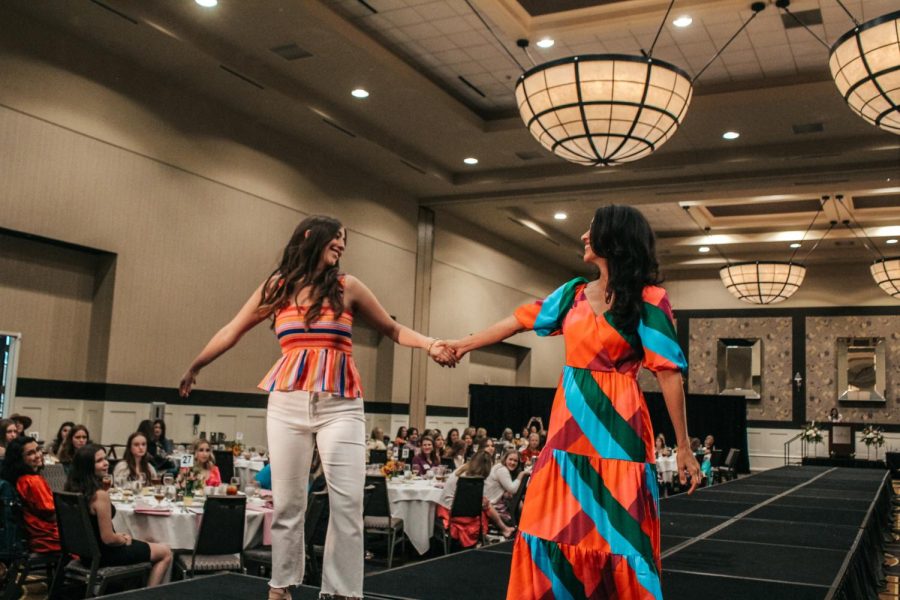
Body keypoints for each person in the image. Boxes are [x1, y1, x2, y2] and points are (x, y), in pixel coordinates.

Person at [178, 215, 456, 600]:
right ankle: (281, 586)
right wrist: (196, 365)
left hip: (339, 404)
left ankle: (342, 592)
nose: (342, 245)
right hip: (287, 401)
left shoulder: (348, 287)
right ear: (311, 237)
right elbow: (231, 329)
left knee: (348, 500)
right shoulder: (277, 288)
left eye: (345, 241)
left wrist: (430, 344)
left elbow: (393, 329)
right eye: (336, 238)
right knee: (289, 502)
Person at [447, 205, 700, 599]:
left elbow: (668, 373)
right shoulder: (573, 294)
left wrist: (684, 446)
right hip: (568, 430)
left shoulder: (650, 299)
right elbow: (518, 320)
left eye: (592, 229)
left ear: (614, 239)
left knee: (621, 540)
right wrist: (463, 345)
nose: (584, 236)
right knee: (550, 528)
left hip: (621, 433)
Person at [65, 444, 172, 586]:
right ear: (87, 466)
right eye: (99, 461)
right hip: (106, 555)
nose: (106, 463)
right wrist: (122, 539)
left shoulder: (72, 490)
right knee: (165, 552)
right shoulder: (99, 495)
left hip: (86, 555)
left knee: (145, 541)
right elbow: (108, 539)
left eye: (105, 458)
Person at [436, 450, 515, 543]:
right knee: (487, 506)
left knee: (486, 504)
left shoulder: (463, 469)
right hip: (452, 511)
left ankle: (503, 529)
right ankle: (503, 529)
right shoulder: (471, 479)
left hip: (449, 506)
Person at [1, 436, 60, 553]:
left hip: (29, 534)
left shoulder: (17, 477)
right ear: (19, 459)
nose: (38, 455)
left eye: (38, 450)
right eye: (30, 453)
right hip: (46, 537)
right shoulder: (32, 481)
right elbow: (50, 514)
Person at [484, 448, 528, 525]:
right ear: (505, 459)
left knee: (520, 504)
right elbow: (512, 489)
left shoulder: (500, 466)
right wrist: (521, 475)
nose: (512, 462)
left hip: (493, 501)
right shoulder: (502, 470)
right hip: (492, 506)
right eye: (510, 459)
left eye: (515, 461)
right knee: (520, 505)